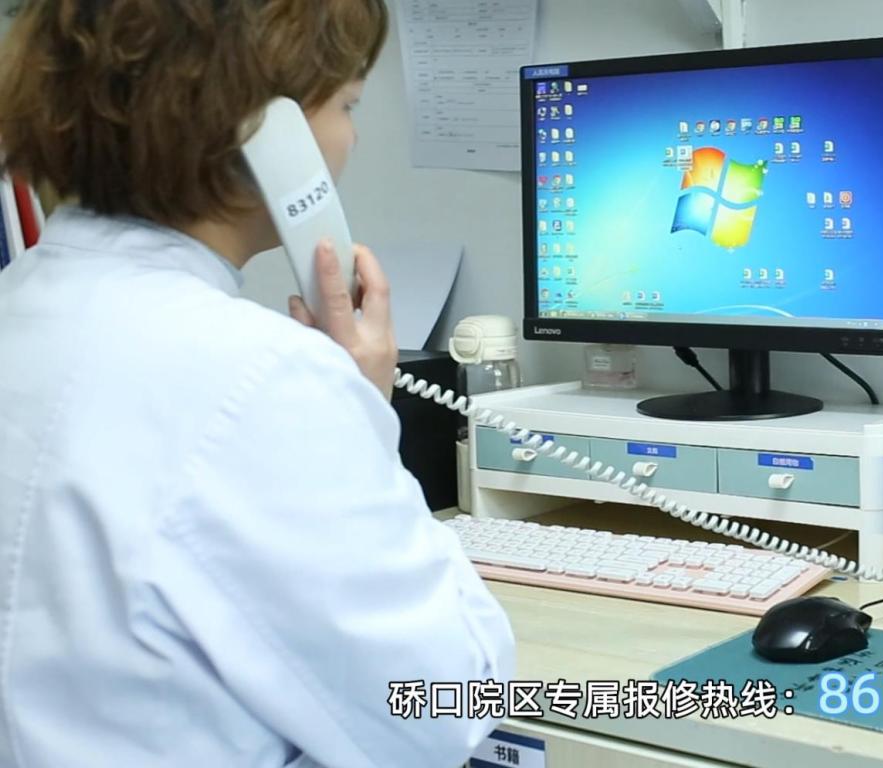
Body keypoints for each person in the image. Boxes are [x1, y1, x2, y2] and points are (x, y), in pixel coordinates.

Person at [0, 2, 514, 766]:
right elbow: (442, 707)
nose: (353, 138)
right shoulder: (262, 381)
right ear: (269, 136)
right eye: (348, 106)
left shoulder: (22, 306)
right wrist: (365, 420)